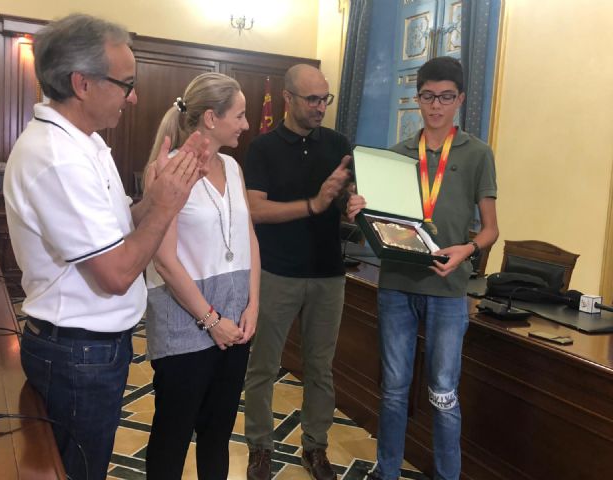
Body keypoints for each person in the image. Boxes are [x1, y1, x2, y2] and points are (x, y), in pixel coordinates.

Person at [3, 14, 207, 480]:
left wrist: (153, 202)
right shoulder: (59, 158)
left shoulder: (86, 144)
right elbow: (115, 275)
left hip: (90, 350)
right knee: (78, 471)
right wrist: (163, 208)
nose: (133, 96)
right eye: (126, 83)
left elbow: (116, 234)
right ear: (82, 84)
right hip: (78, 354)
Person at [347, 56, 499, 480]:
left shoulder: (477, 154)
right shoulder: (395, 157)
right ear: (418, 99)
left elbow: (491, 231)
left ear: (460, 99)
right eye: (429, 97)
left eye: (446, 97)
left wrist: (466, 250)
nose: (436, 106)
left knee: (444, 393)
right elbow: (378, 226)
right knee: (394, 390)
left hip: (449, 291)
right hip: (396, 283)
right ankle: (387, 471)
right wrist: (359, 209)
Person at [143, 72, 260, 479]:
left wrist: (254, 305)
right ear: (211, 118)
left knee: (218, 436)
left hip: (235, 323)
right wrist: (212, 321)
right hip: (184, 326)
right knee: (172, 437)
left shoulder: (233, 166)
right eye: (241, 115)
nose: (246, 124)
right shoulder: (168, 172)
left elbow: (249, 238)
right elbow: (164, 261)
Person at [243, 64, 352, 480]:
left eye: (325, 98)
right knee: (263, 368)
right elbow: (255, 209)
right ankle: (260, 448)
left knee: (321, 368)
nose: (320, 106)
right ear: (287, 99)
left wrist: (351, 205)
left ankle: (316, 448)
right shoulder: (263, 148)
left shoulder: (339, 144)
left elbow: (343, 200)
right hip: (277, 273)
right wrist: (313, 204)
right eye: (312, 99)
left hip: (328, 274)